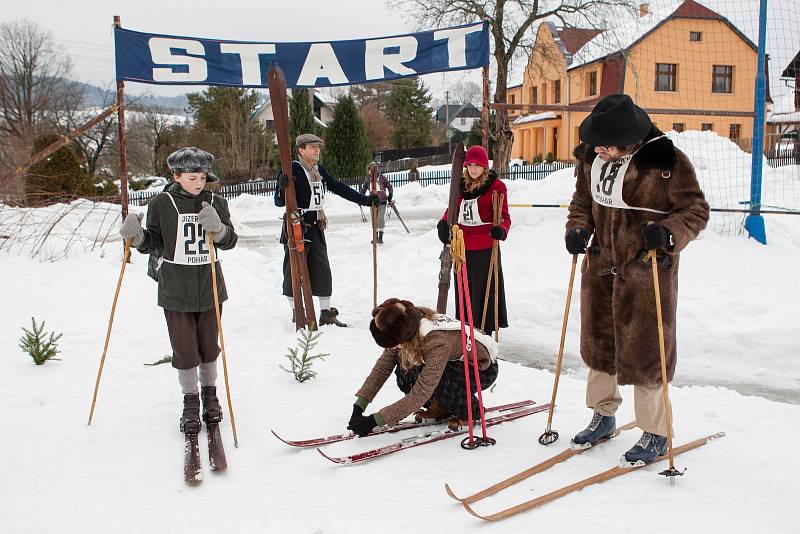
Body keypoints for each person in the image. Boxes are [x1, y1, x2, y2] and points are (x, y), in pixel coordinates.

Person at [565, 94, 710, 464]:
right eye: (597, 143)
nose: (600, 150)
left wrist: (668, 233)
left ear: (629, 138)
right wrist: (578, 229)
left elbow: (695, 210)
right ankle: (603, 414)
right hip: (600, 269)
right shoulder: (591, 159)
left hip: (647, 275)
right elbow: (582, 202)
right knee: (600, 347)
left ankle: (655, 432)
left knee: (647, 355)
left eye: (608, 144)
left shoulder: (666, 161)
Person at [118, 146, 238, 436]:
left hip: (210, 287)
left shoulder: (215, 201)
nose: (200, 183)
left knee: (209, 346)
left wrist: (219, 230)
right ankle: (190, 399)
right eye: (193, 177)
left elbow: (231, 240)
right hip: (176, 289)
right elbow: (154, 243)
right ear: (176, 175)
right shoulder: (161, 203)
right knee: (185, 350)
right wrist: (136, 237)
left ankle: (210, 394)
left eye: (203, 178)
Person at [346, 298, 500, 436]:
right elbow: (382, 368)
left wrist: (376, 420)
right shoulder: (404, 325)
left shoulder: (435, 341)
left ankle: (470, 412)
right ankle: (442, 406)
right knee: (404, 372)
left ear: (403, 337)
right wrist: (359, 406)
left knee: (433, 377)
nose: (393, 349)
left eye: (394, 345)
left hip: (482, 369)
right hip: (454, 364)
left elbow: (422, 391)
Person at [274, 133, 379, 327]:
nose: (317, 151)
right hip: (298, 225)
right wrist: (281, 186)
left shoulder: (318, 170)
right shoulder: (292, 169)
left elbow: (337, 187)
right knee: (294, 270)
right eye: (313, 147)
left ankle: (326, 313)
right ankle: (297, 311)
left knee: (322, 269)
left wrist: (365, 200)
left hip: (316, 225)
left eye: (318, 147)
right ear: (301, 150)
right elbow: (279, 201)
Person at [436, 145, 510, 335]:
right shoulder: (460, 186)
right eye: (470, 165)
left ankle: (484, 335)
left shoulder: (496, 187)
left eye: (477, 165)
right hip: (461, 249)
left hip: (485, 250)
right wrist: (443, 224)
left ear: (485, 166)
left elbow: (504, 217)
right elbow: (451, 210)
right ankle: (465, 334)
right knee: (464, 295)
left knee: (483, 294)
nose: (473, 169)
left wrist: (500, 230)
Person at [358, 162, 393, 244]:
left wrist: (390, 194)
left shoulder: (382, 178)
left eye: (372, 169)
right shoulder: (368, 179)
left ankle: (380, 238)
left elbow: (389, 186)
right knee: (374, 220)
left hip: (382, 202)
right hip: (373, 202)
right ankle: (375, 237)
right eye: (369, 170)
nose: (370, 171)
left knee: (380, 219)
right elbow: (364, 188)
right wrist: (360, 197)